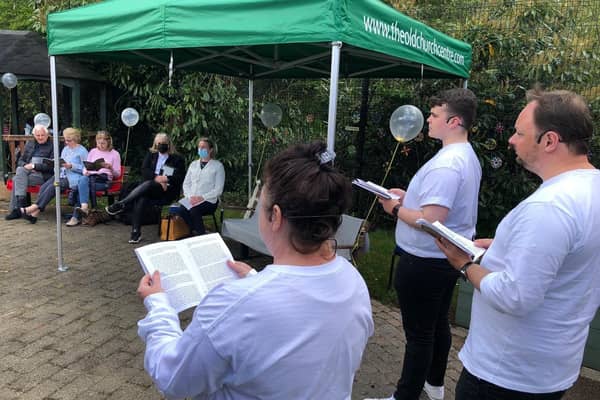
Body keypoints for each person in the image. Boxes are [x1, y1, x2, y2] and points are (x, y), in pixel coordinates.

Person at [136, 141, 374, 399]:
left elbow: (172, 379)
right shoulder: (353, 282)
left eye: (260, 204)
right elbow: (301, 318)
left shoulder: (233, 303)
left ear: (276, 216)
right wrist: (254, 278)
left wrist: (159, 305)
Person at [436, 89, 600, 400]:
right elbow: (574, 252)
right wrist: (506, 246)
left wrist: (464, 264)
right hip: (551, 367)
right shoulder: (591, 187)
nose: (511, 139)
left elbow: (515, 296)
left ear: (549, 141)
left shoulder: (550, 206)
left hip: (506, 375)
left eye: (519, 132)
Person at [366, 88, 481, 400]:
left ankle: (405, 396)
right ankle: (434, 385)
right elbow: (437, 206)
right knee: (436, 326)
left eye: (434, 114)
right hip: (442, 260)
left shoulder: (448, 163)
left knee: (419, 335)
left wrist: (395, 208)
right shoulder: (464, 155)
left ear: (454, 121)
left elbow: (431, 220)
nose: (427, 119)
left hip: (424, 261)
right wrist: (408, 197)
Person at [105, 133, 185, 243]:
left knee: (148, 185)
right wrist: (156, 178)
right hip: (150, 186)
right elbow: (144, 170)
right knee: (142, 197)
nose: (161, 145)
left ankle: (121, 204)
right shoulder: (151, 155)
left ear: (168, 144)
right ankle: (135, 233)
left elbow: (179, 177)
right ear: (155, 144)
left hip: (167, 189)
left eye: (163, 143)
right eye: (158, 143)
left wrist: (166, 179)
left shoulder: (177, 159)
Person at [20, 127, 88, 224]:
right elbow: (60, 162)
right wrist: (55, 164)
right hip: (61, 175)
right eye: (65, 140)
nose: (66, 142)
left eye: (69, 140)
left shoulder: (82, 151)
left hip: (73, 178)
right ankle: (34, 214)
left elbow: (86, 168)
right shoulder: (65, 149)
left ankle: (32, 208)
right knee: (44, 187)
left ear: (75, 139)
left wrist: (71, 166)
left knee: (53, 186)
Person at [67, 130, 121, 226]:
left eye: (103, 143)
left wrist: (110, 168)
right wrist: (85, 171)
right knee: (83, 180)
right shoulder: (93, 151)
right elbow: (85, 166)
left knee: (81, 186)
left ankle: (76, 217)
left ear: (109, 142)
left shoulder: (115, 154)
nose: (100, 145)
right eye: (98, 143)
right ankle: (84, 208)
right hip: (90, 178)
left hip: (103, 180)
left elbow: (117, 174)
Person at [172, 137, 225, 235]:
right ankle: (196, 230)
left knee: (193, 210)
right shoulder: (193, 164)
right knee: (180, 210)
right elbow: (186, 183)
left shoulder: (218, 166)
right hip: (191, 199)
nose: (200, 149)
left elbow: (218, 189)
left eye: (204, 147)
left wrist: (201, 198)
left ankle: (201, 235)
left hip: (209, 201)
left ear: (211, 149)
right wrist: (189, 196)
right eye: (199, 147)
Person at [5, 124, 54, 220]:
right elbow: (20, 160)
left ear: (47, 135)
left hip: (42, 175)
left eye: (42, 135)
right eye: (37, 135)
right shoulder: (30, 144)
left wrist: (34, 166)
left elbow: (51, 166)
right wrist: (25, 166)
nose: (40, 137)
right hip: (27, 172)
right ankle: (21, 206)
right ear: (34, 135)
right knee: (20, 170)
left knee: (16, 179)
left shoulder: (52, 147)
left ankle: (17, 208)